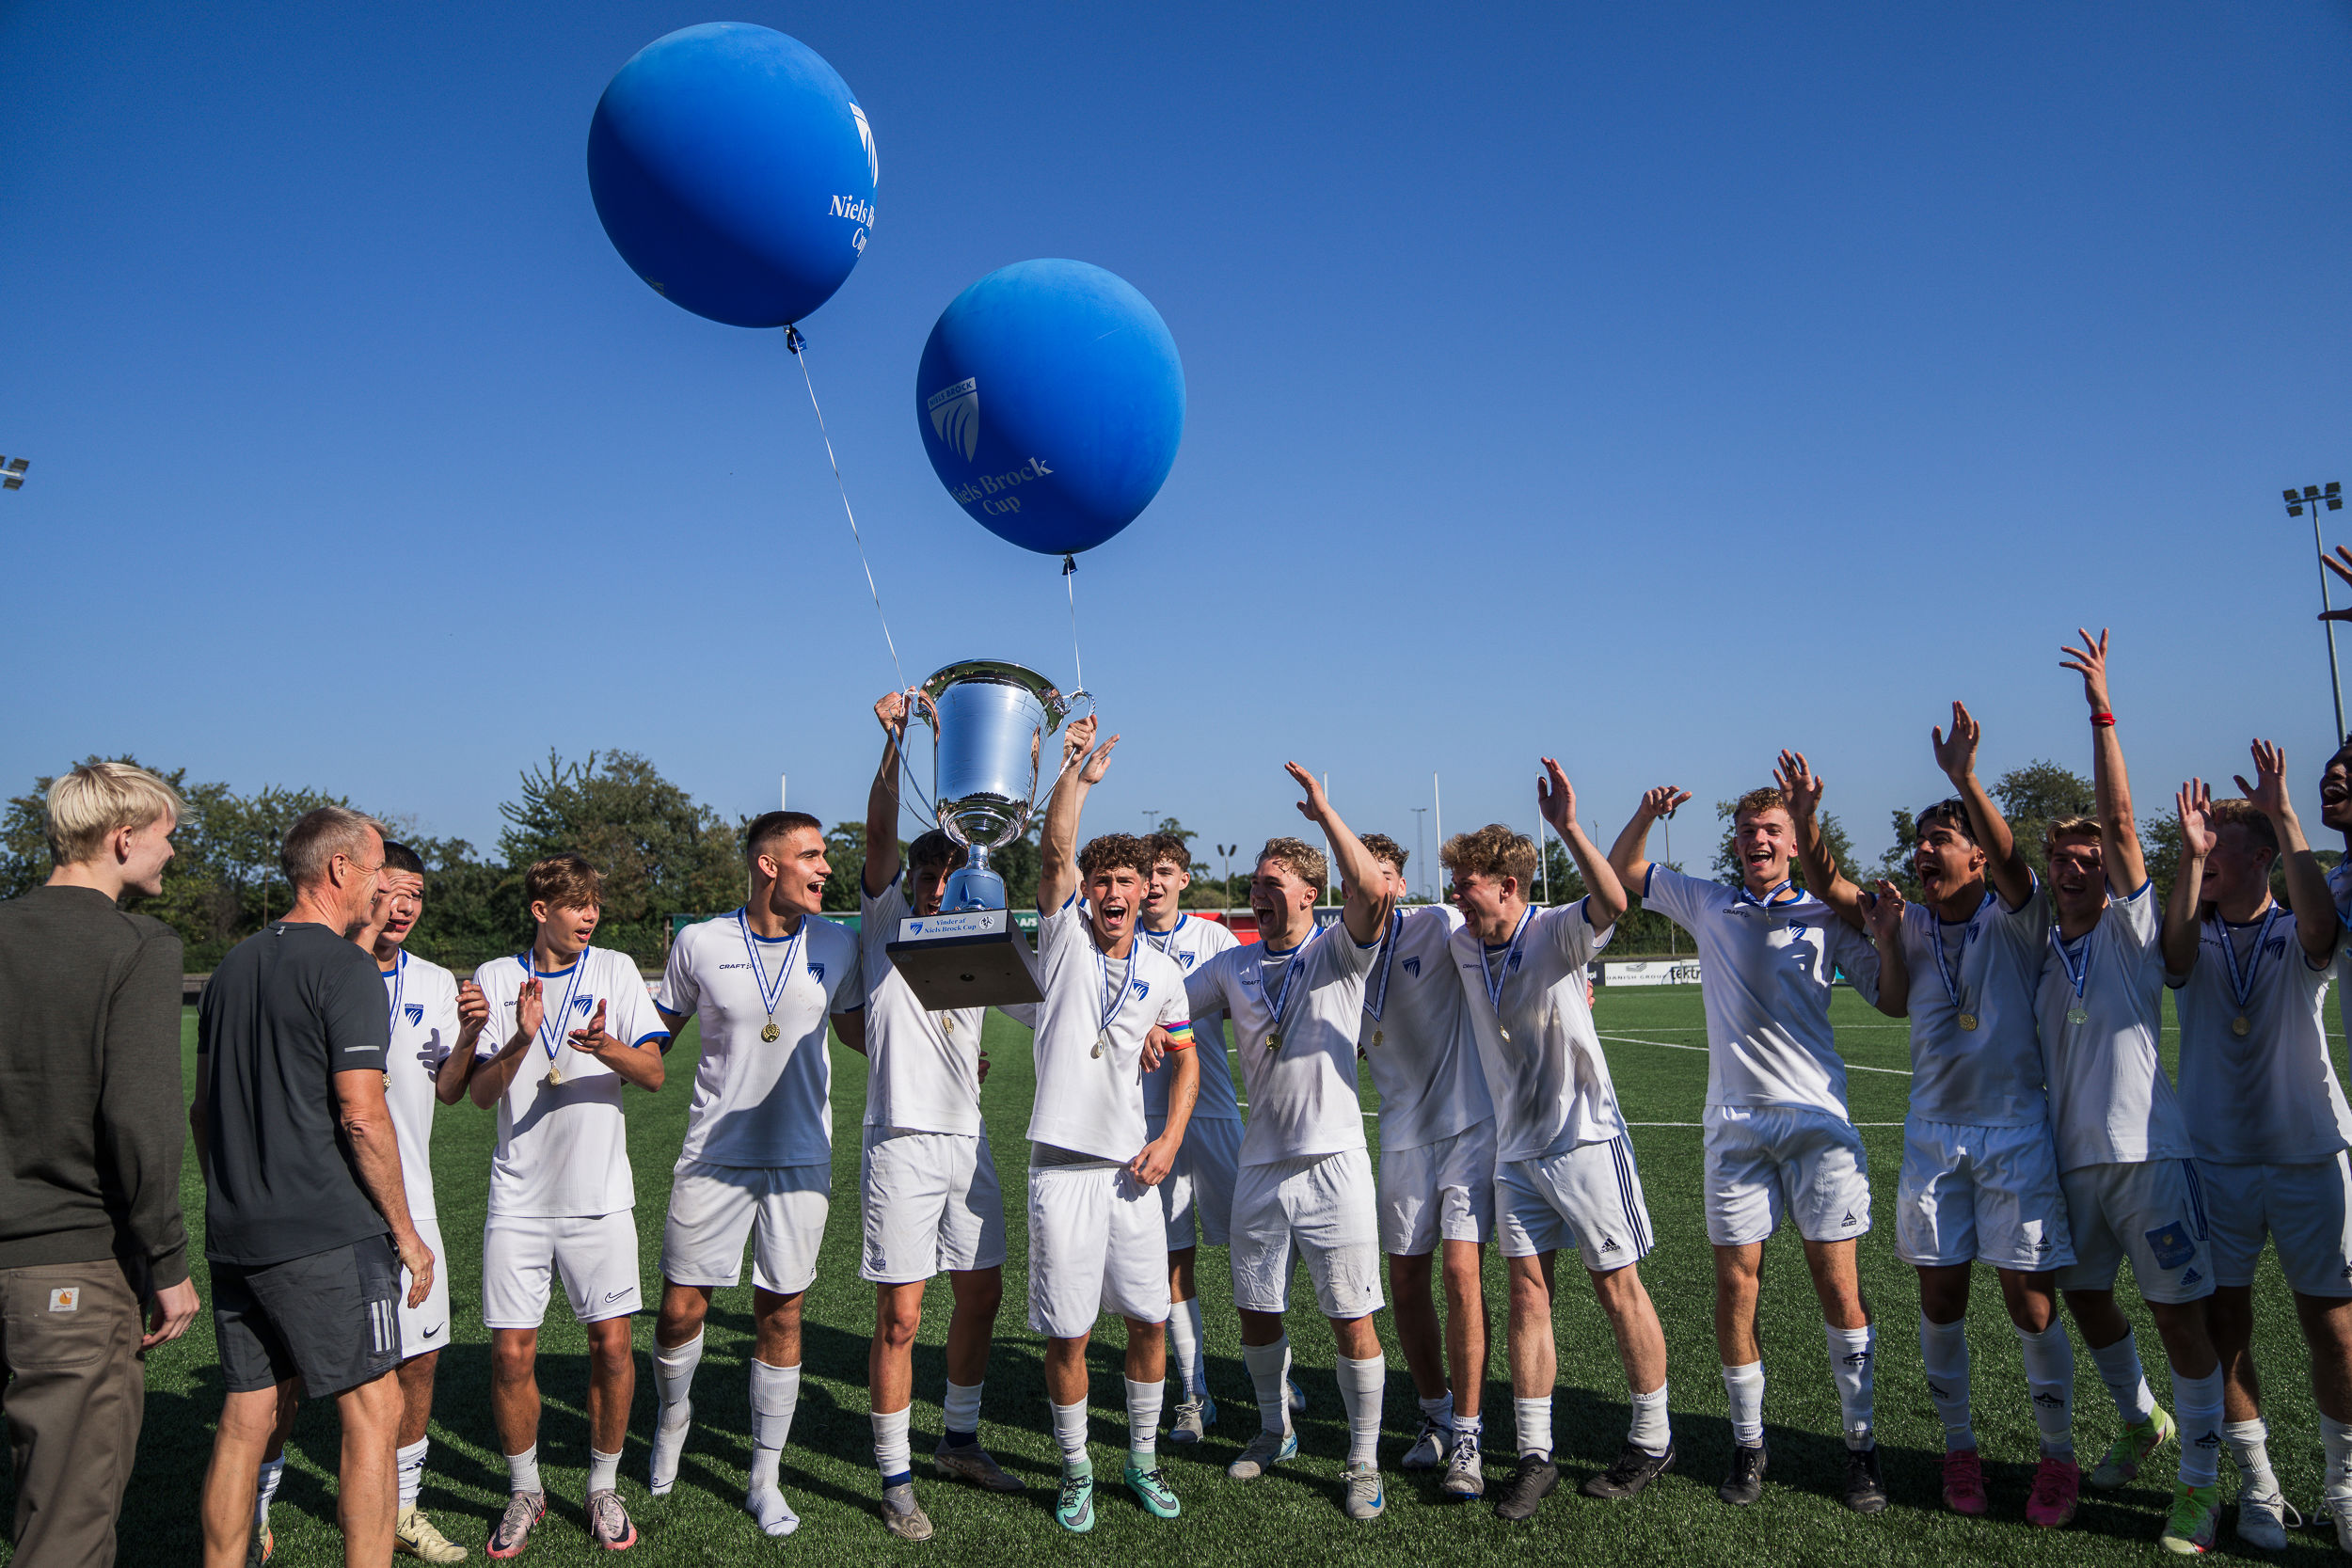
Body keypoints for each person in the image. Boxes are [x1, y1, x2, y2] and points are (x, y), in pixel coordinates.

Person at [1788, 715, 2082, 1526]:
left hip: (2014, 1132)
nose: (1922, 851)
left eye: (1940, 840)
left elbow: (2017, 863)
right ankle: (1960, 1448)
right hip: (1934, 1136)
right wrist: (1808, 820)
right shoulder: (1908, 921)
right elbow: (1827, 884)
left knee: (2030, 1304)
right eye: (1918, 841)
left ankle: (2057, 1455)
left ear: (1976, 857)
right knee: (1941, 1299)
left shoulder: (2017, 914)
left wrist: (1965, 780)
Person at [1608, 771, 1888, 1513]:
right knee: (1736, 1285)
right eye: (1747, 831)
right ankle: (1748, 1443)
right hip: (1734, 1130)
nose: (1758, 840)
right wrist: (1645, 812)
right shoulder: (1710, 901)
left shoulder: (1827, 913)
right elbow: (1624, 868)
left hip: (1818, 1128)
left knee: (1839, 1286)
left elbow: (1890, 995)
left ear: (1795, 843)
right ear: (1736, 844)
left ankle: (1861, 1447)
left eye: (1772, 830)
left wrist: (1884, 929)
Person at [194, 807, 435, 1568]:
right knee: (375, 1408)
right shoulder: (346, 966)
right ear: (338, 869)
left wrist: (235, 1192)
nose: (383, 886)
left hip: (236, 1231)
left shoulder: (233, 965)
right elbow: (362, 1114)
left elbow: (202, 1111)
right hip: (327, 1231)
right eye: (375, 869)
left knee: (247, 1414)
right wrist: (407, 1233)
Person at [2028, 631, 2226, 1552]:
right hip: (2073, 1162)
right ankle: (2141, 1417)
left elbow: (2119, 818)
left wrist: (2100, 709)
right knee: (2085, 1297)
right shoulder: (2039, 949)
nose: (2076, 867)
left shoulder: (2131, 928)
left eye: (2088, 857)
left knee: (2178, 1315)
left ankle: (2200, 1486)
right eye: (2061, 858)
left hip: (2148, 1155)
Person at [1449, 762, 1675, 1523]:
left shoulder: (1553, 929)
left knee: (1617, 1286)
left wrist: (1568, 827)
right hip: (1517, 1151)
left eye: (1468, 886)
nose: (1458, 898)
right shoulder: (1463, 944)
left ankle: (1653, 1438)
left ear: (1509, 886)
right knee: (1527, 1293)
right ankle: (1535, 1453)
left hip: (1585, 1138)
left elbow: (1613, 900)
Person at [247, 841, 479, 1564]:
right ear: (365, 888)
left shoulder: (434, 980)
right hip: (321, 1204)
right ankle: (256, 1505)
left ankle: (403, 1507)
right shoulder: (322, 967)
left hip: (411, 1200)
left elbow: (449, 1089)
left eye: (418, 894)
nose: (404, 906)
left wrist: (472, 1033)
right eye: (392, 890)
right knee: (285, 1369)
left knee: (418, 1363)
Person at [1184, 766, 1396, 1522]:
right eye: (1255, 883)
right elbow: (1173, 1004)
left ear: (1310, 893)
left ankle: (1364, 1458)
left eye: (1274, 883)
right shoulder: (1234, 964)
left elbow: (1371, 889)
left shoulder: (1340, 949)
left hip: (1334, 1163)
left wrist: (1327, 814)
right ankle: (1276, 1429)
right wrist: (1152, 1026)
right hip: (1262, 1165)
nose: (1259, 893)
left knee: (1350, 1316)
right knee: (1256, 1309)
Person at [644, 814, 865, 1540]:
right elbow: (656, 1038)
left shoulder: (836, 943)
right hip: (714, 1155)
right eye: (812, 854)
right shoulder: (700, 942)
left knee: (782, 1313)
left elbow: (860, 1031)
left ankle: (763, 1477)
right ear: (769, 864)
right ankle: (673, 1416)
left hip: (801, 1158)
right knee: (681, 1310)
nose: (826, 867)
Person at [0, 762, 199, 1568]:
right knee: (65, 1531)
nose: (171, 852)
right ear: (123, 838)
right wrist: (168, 1261)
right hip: (73, 1268)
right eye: (166, 836)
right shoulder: (138, 945)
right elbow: (141, 1118)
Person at [2162, 737, 2352, 1556]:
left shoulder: (2300, 924)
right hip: (2216, 1160)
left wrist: (2284, 813)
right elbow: (2171, 955)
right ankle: (2259, 1486)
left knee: (2335, 1329)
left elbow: (2321, 927)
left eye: (2219, 843)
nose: (2205, 850)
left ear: (2261, 858)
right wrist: (2186, 855)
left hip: (2310, 1153)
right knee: (2225, 1322)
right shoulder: (2188, 929)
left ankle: (2346, 1488)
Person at [844, 691, 1022, 1542]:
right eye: (926, 876)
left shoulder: (980, 932)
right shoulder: (886, 925)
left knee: (982, 1292)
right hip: (902, 1142)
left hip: (967, 1138)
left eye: (949, 876)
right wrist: (894, 741)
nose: (936, 887)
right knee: (902, 1315)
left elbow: (1046, 1005)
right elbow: (879, 834)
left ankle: (959, 1440)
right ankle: (895, 1477)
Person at [1025, 716, 1200, 1532]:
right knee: (1069, 1332)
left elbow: (1188, 1061)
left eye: (1127, 880)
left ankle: (1141, 1457)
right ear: (1088, 891)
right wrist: (1076, 774)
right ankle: (1075, 1468)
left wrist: (1170, 1138)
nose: (1115, 892)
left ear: (1143, 891)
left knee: (1149, 1320)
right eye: (1102, 880)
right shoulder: (1063, 941)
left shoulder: (1164, 972)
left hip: (1133, 1173)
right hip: (1063, 1168)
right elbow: (1055, 850)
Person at [468, 853, 669, 1558]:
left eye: (594, 904)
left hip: (600, 1198)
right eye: (576, 904)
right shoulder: (498, 977)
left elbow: (654, 1073)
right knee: (510, 1354)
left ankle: (602, 1486)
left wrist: (605, 1045)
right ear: (540, 910)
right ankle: (525, 1489)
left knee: (612, 1347)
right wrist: (524, 1039)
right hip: (518, 1199)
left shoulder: (615, 969)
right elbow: (480, 1095)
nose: (590, 916)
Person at [1347, 832, 1493, 1500]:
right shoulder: (1340, 952)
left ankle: (1468, 1433)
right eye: (1360, 877)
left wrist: (1574, 978)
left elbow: (1508, 934)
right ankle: (1434, 1412)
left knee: (1461, 1274)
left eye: (1382, 875)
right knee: (1405, 1283)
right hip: (1401, 1135)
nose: (1372, 887)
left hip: (1466, 1125)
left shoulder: (1436, 923)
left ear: (1400, 884)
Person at [1136, 830, 1295, 1442]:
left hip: (1215, 1115)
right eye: (1147, 872)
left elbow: (1260, 1004)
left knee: (1252, 1248)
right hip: (1149, 1124)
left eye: (1165, 871)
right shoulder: (1120, 941)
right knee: (1173, 1259)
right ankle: (1194, 1391)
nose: (1154, 882)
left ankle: (1276, 1376)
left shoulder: (1213, 939)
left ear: (1183, 879)